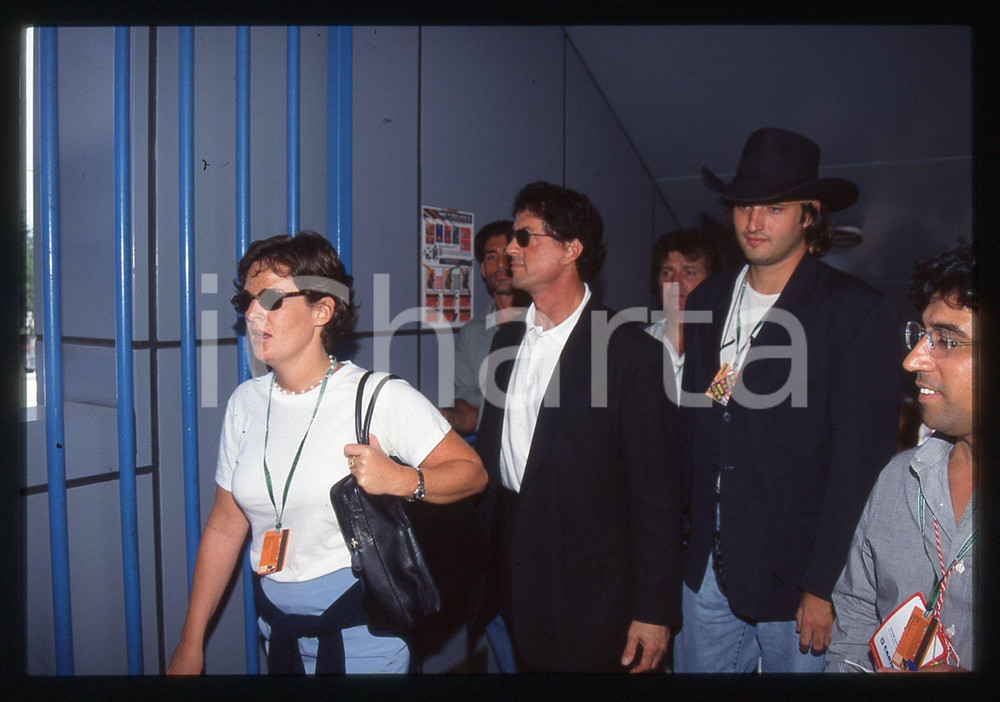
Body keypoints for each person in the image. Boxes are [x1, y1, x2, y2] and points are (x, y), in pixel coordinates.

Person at [167, 231, 487, 675]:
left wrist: (400, 479)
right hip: (276, 632)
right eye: (247, 302)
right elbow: (225, 526)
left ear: (322, 309)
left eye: (273, 299)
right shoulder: (245, 403)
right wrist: (191, 641)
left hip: (363, 634)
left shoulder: (377, 396)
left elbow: (472, 473)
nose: (255, 314)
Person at [674, 127, 899, 673]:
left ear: (809, 214)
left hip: (795, 571)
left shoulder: (853, 311)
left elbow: (860, 464)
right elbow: (694, 424)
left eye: (774, 208)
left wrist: (823, 584)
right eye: (744, 206)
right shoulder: (707, 298)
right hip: (707, 559)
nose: (753, 223)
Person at [475, 181, 682, 672]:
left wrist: (654, 609)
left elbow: (658, 495)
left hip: (593, 592)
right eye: (511, 238)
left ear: (571, 249)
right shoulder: (505, 341)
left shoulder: (631, 353)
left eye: (525, 237)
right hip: (511, 575)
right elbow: (493, 458)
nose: (509, 249)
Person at [826, 243, 977, 673]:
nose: (913, 360)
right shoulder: (898, 479)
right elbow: (854, 619)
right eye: (922, 336)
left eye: (947, 340)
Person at [439, 220, 527, 437]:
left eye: (507, 256)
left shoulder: (545, 324)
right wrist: (442, 417)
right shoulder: (471, 335)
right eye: (491, 257)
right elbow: (470, 413)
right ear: (483, 270)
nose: (500, 266)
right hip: (493, 455)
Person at [644, 229, 720, 402]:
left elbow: (719, 413)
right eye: (667, 272)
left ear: (712, 281)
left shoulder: (730, 349)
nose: (676, 283)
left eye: (689, 272)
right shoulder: (638, 345)